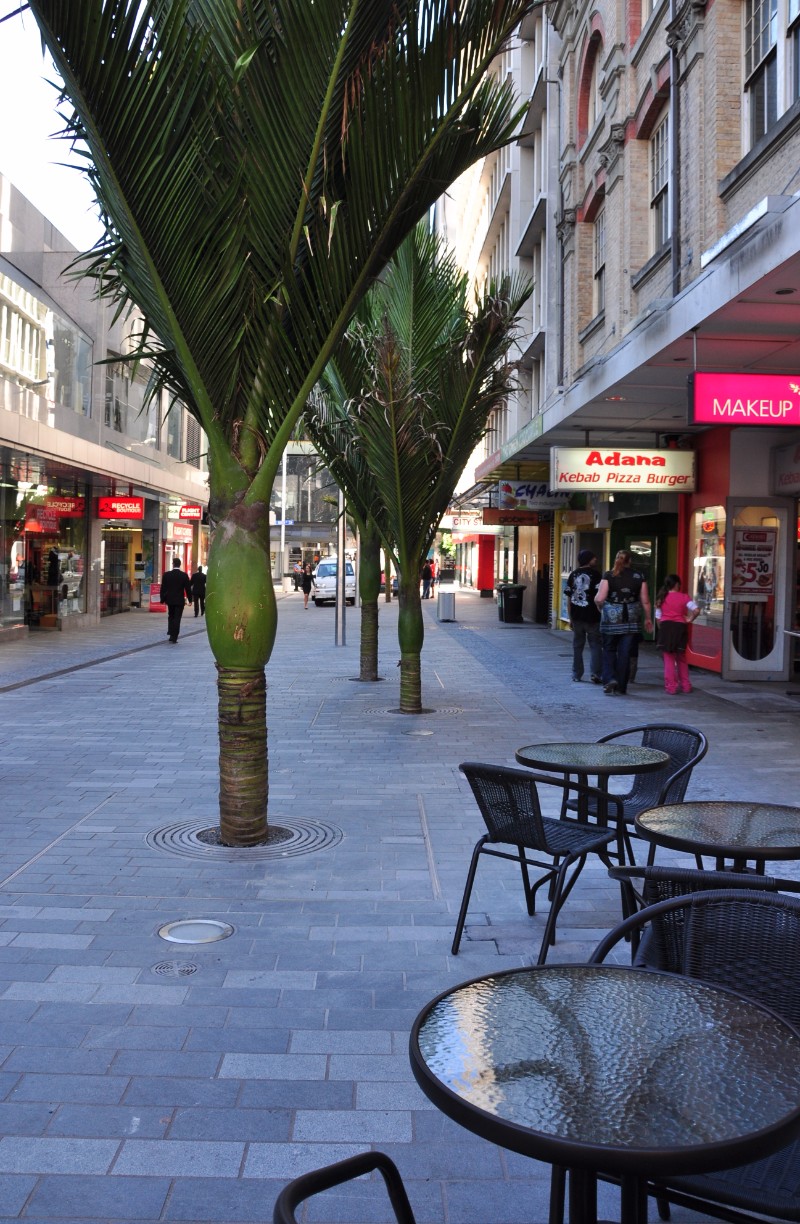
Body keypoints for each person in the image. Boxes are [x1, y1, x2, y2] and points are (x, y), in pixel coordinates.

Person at [594, 549, 653, 695]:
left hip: (611, 618)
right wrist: (648, 619)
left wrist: (599, 606)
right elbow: (645, 601)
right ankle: (622, 685)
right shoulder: (639, 576)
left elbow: (600, 598)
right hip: (631, 619)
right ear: (630, 561)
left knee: (609, 649)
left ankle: (610, 679)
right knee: (625, 653)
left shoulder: (609, 575)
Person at [655, 574, 699, 694]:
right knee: (681, 658)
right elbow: (696, 610)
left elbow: (658, 618)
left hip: (666, 628)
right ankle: (686, 686)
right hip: (680, 628)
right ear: (677, 584)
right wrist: (690, 618)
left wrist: (661, 631)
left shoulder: (661, 598)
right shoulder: (684, 597)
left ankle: (671, 687)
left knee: (669, 658)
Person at [565, 549, 602, 683]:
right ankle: (596, 673)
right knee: (595, 645)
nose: (596, 559)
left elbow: (569, 599)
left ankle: (576, 674)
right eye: (593, 558)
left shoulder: (573, 575)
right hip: (592, 616)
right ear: (588, 559)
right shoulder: (597, 575)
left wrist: (570, 618)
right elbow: (600, 597)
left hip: (577, 616)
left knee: (577, 646)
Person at [160, 556, 192, 643]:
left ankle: (171, 633)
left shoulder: (166, 575)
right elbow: (188, 589)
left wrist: (162, 599)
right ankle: (175, 636)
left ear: (173, 564)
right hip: (179, 600)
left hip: (170, 600)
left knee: (171, 616)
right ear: (180, 565)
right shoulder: (184, 575)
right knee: (177, 618)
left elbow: (163, 588)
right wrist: (190, 599)